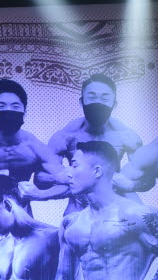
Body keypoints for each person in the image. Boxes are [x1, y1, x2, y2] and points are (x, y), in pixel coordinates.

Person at [56, 141, 158, 280]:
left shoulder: (137, 215)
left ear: (97, 171)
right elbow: (65, 278)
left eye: (74, 165)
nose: (68, 173)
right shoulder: (71, 224)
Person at [0, 78, 66, 208]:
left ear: (25, 111)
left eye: (15, 106)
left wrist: (41, 195)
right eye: (1, 106)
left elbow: (72, 182)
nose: (8, 111)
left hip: (22, 213)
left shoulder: (35, 147)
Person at [45, 73, 144, 211]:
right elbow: (41, 178)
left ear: (114, 104)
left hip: (116, 204)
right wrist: (63, 177)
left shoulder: (127, 137)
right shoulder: (64, 137)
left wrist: (128, 184)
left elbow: (147, 180)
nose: (98, 103)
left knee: (142, 217)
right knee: (71, 223)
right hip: (79, 206)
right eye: (92, 97)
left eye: (105, 98)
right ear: (81, 102)